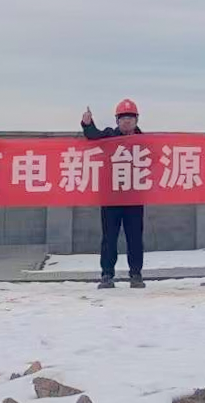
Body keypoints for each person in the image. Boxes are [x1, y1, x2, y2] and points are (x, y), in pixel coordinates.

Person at [82, 99, 147, 289]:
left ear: (136, 120)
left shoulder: (145, 141)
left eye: (130, 117)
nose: (126, 121)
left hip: (134, 198)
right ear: (117, 120)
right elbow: (92, 136)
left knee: (135, 238)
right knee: (109, 238)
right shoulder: (109, 135)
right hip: (111, 198)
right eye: (123, 117)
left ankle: (136, 274)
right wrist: (87, 123)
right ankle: (107, 275)